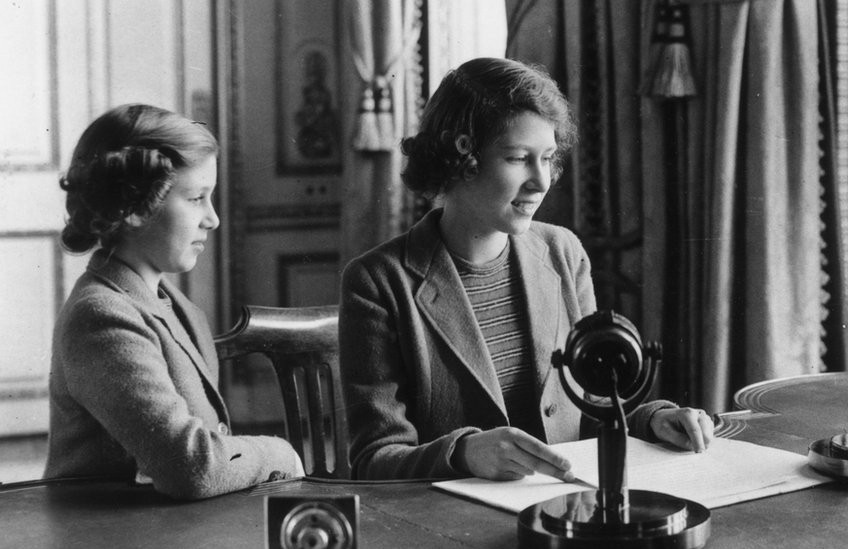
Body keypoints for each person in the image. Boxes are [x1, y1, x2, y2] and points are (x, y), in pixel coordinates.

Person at [339, 57, 714, 482]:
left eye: (549, 158)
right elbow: (373, 459)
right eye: (519, 158)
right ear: (459, 158)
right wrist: (463, 454)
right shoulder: (377, 282)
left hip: (565, 511)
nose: (542, 181)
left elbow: (591, 402)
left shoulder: (562, 252)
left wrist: (653, 418)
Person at [44, 104, 303, 499]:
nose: (213, 219)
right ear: (132, 206)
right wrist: (281, 454)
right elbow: (192, 467)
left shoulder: (175, 306)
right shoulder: (100, 316)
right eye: (197, 198)